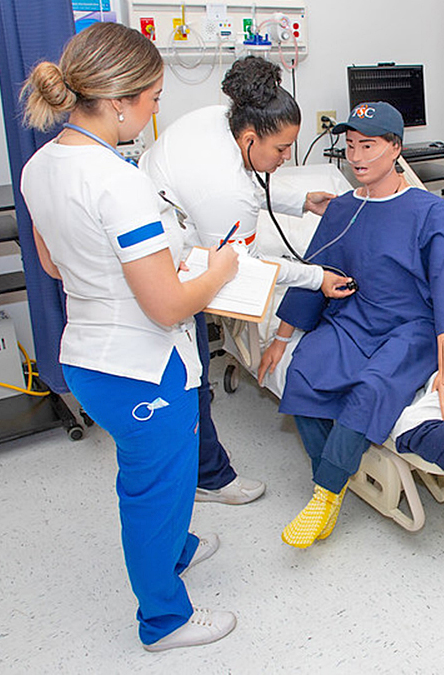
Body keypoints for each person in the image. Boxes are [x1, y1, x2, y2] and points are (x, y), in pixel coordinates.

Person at [19, 22, 239, 651]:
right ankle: (163, 620)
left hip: (89, 357)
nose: (155, 107)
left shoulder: (42, 165)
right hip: (140, 364)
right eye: (153, 96)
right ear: (119, 102)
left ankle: (179, 546)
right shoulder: (120, 181)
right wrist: (219, 269)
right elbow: (168, 306)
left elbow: (58, 265)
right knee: (152, 490)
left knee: (153, 476)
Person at [257, 102, 444, 548]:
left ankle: (325, 492)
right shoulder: (342, 208)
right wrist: (281, 338)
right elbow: (316, 271)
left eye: (369, 145)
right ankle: (333, 474)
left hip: (414, 325)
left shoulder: (430, 212)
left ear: (395, 149)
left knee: (372, 387)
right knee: (305, 369)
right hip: (356, 317)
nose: (357, 156)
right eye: (349, 146)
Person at [140, 56, 351, 506]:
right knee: (189, 375)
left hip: (164, 234)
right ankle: (209, 478)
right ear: (251, 136)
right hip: (168, 264)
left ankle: (197, 471)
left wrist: (301, 200)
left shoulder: (221, 120)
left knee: (183, 375)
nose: (287, 157)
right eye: (281, 150)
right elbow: (245, 266)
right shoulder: (226, 191)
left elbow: (252, 179)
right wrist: (316, 278)